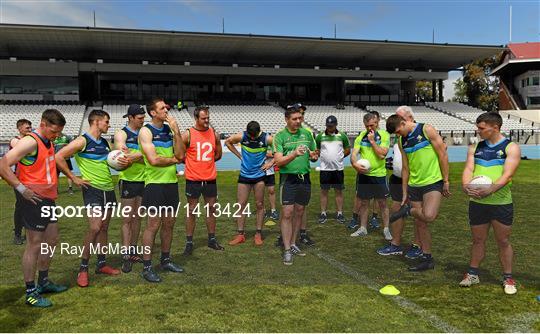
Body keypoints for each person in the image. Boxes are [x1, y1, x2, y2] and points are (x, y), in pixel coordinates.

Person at [0, 109, 68, 307]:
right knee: (34, 244)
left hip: (47, 198)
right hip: (33, 200)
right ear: (43, 124)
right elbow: (3, 164)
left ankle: (44, 281)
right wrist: (21, 189)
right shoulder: (30, 141)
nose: (56, 136)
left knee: (52, 239)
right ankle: (31, 292)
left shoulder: (48, 140)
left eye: (58, 133)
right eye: (53, 131)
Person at [56, 110, 126, 287]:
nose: (108, 125)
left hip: (108, 190)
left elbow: (113, 160)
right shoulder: (82, 141)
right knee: (94, 227)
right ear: (96, 122)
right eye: (106, 121)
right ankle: (83, 268)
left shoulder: (104, 142)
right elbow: (58, 156)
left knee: (104, 228)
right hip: (92, 190)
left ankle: (101, 264)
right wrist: (73, 177)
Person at [460, 112, 520, 295]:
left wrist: (490, 190)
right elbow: (469, 168)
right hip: (477, 202)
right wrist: (465, 185)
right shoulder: (475, 147)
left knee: (503, 240)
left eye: (481, 128)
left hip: (500, 202)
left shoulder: (511, 147)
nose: (478, 131)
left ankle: (508, 277)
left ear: (495, 127)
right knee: (478, 240)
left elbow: (507, 174)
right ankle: (472, 274)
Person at [386, 113, 450, 271]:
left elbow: (442, 154)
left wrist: (446, 180)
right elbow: (406, 168)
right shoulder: (402, 141)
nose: (398, 135)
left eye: (398, 131)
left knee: (428, 216)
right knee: (421, 223)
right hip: (414, 185)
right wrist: (405, 191)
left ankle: (408, 211)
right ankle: (427, 258)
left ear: (403, 122)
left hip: (432, 182)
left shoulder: (426, 129)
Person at [138, 98, 185, 282]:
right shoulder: (145, 131)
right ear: (153, 113)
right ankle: (147, 267)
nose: (166, 110)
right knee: (153, 225)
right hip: (154, 185)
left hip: (171, 183)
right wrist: (174, 160)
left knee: (169, 223)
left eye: (166, 107)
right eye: (162, 108)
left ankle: (165, 260)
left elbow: (181, 154)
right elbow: (154, 160)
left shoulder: (168, 129)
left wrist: (176, 131)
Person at [273, 104, 318, 265]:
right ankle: (286, 250)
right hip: (288, 179)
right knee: (287, 213)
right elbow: (278, 161)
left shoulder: (307, 134)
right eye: (295, 119)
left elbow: (314, 154)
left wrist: (314, 156)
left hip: (304, 178)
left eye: (300, 118)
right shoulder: (280, 136)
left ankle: (293, 243)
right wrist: (293, 154)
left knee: (299, 211)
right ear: (287, 119)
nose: (298, 121)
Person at [377, 106, 423, 258]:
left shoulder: (421, 133)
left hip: (415, 180)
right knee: (397, 210)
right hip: (397, 179)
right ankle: (395, 243)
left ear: (409, 118)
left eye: (399, 117)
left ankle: (418, 245)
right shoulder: (399, 134)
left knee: (418, 213)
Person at [181, 106, 223, 255]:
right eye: (203, 118)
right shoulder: (187, 134)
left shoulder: (214, 134)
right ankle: (189, 242)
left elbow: (218, 154)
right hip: (193, 180)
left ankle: (211, 239)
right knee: (191, 211)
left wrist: (207, 164)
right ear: (196, 118)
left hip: (210, 179)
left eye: (208, 118)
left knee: (211, 210)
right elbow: (180, 154)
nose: (206, 121)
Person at [225, 121, 273, 246]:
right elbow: (227, 142)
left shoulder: (267, 138)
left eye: (254, 136)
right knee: (240, 205)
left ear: (259, 132)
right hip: (244, 176)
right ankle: (240, 234)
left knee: (259, 204)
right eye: (250, 135)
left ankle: (258, 233)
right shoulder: (242, 136)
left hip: (259, 177)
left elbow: (281, 150)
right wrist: (239, 156)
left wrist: (270, 163)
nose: (252, 138)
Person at [114, 104, 146, 273]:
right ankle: (125, 254)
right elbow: (122, 157)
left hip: (144, 180)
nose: (143, 121)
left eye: (143, 118)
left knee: (138, 218)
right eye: (140, 118)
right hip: (128, 180)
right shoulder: (122, 133)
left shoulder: (144, 133)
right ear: (131, 117)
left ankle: (133, 250)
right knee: (127, 219)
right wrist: (142, 155)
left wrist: (135, 156)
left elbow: (147, 156)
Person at [350, 112, 392, 241]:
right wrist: (354, 164)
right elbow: (354, 154)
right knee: (364, 203)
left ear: (377, 122)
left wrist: (372, 141)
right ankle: (363, 228)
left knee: (382, 203)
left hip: (379, 175)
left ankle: (386, 229)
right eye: (367, 126)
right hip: (364, 175)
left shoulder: (384, 135)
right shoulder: (360, 137)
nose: (369, 128)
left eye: (372, 125)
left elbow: (382, 155)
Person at [315, 115, 350, 224]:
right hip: (325, 169)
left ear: (335, 125)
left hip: (338, 169)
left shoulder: (342, 136)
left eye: (332, 126)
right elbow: (317, 149)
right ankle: (323, 213)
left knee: (338, 191)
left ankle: (339, 213)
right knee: (324, 191)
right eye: (328, 126)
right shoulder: (320, 136)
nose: (330, 127)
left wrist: (340, 157)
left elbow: (347, 149)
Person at [9, 119, 32, 245]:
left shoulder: (30, 141)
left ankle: (30, 232)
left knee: (31, 206)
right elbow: (21, 147)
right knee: (20, 206)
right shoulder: (15, 140)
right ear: (19, 129)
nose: (29, 130)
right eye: (27, 128)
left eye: (30, 127)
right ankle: (17, 234)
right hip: (19, 179)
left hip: (31, 179)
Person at [264, 143, 279, 223]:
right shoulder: (258, 145)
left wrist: (269, 154)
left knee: (271, 191)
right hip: (259, 171)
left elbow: (276, 155)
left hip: (270, 171)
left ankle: (273, 210)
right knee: (260, 192)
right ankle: (263, 210)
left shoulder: (271, 145)